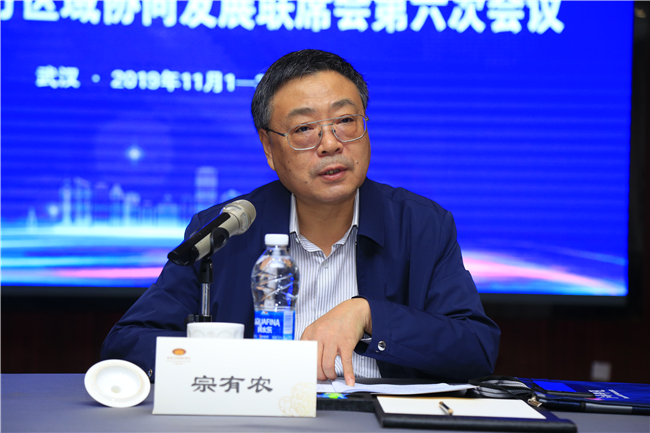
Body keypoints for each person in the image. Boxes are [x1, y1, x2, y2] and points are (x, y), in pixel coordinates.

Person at [101, 49, 500, 386]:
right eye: (305, 129)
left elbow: (475, 348)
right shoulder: (226, 231)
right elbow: (129, 342)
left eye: (345, 121)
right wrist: (230, 363)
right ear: (268, 147)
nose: (330, 144)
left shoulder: (420, 225)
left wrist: (369, 315)